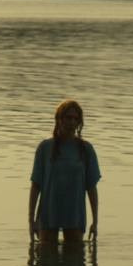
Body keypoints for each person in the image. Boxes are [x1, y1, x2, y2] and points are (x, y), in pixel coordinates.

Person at [28, 99, 101, 244]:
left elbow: (91, 188)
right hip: (48, 213)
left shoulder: (86, 149)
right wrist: (31, 221)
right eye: (68, 118)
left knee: (74, 261)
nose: (72, 122)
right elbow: (36, 185)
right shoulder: (45, 148)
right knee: (45, 262)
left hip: (74, 214)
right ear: (59, 119)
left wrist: (95, 222)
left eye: (76, 118)